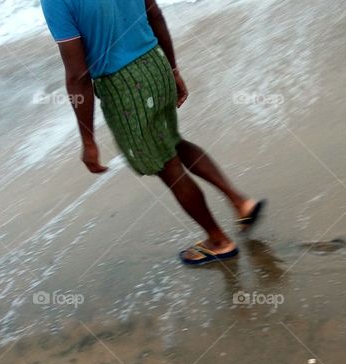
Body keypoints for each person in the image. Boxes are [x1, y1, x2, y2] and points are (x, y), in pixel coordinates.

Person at [39, 0, 265, 266]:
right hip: (154, 63)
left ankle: (218, 241)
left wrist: (88, 138)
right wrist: (172, 69)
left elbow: (77, 75)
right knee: (173, 142)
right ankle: (240, 202)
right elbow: (155, 15)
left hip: (123, 86)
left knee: (168, 166)